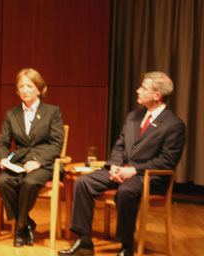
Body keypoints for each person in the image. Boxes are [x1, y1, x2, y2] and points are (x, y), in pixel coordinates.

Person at [58, 71, 186, 256]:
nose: (138, 90)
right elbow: (119, 145)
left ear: (157, 95)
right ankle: (84, 240)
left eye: (143, 88)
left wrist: (134, 170)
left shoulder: (174, 124)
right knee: (83, 182)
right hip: (122, 171)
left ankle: (126, 246)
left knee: (126, 191)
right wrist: (114, 167)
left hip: (149, 177)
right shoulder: (133, 117)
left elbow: (167, 161)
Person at [0, 68, 64, 247]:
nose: (25, 90)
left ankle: (19, 227)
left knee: (29, 183)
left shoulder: (52, 112)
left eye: (29, 86)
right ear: (17, 91)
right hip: (18, 163)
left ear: (39, 89)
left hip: (44, 165)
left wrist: (39, 161)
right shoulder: (12, 114)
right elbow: (2, 143)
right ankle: (27, 223)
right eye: (21, 86)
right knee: (2, 181)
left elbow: (57, 144)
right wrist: (3, 158)